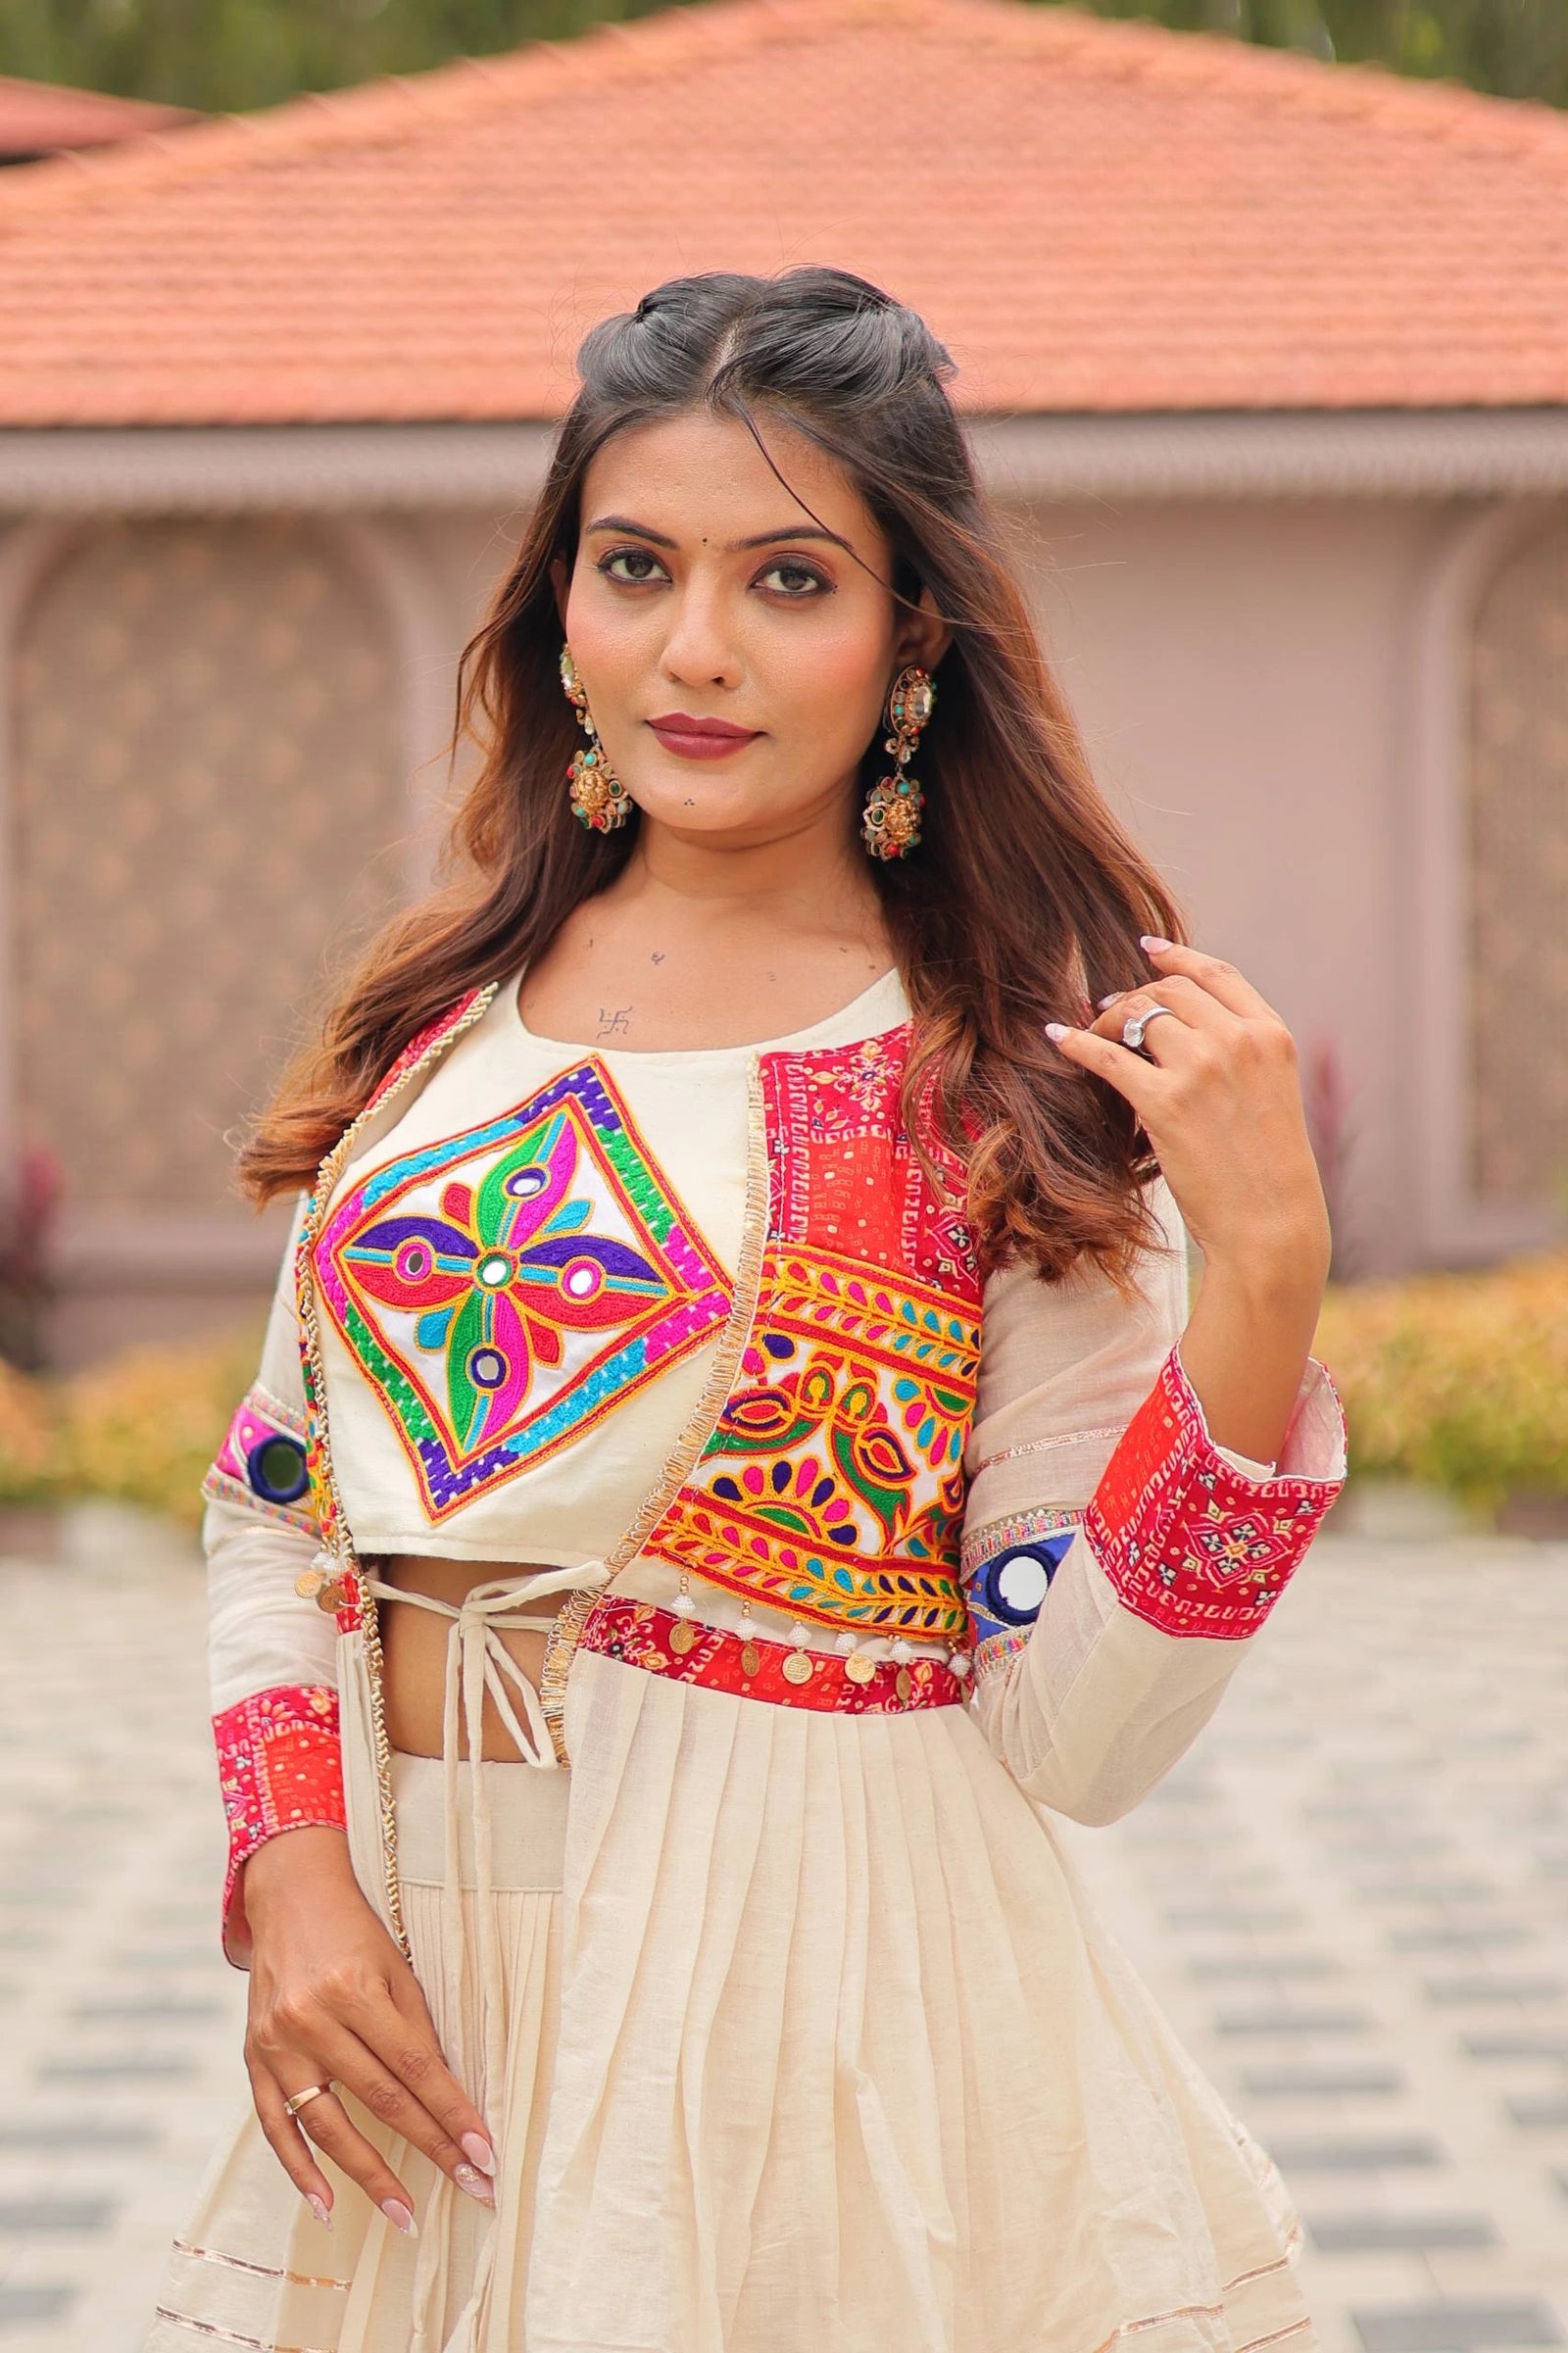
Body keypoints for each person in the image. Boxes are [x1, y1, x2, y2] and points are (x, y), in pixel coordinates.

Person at [144, 266, 1346, 2353]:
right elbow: (279, 1493)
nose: (693, 651)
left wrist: (1259, 1282)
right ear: (558, 606)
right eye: (635, 567)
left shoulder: (997, 1087)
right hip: (438, 2031)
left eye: (788, 578)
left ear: (908, 642)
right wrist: (297, 1878)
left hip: (811, 2033)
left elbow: (1071, 1738)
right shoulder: (442, 1028)